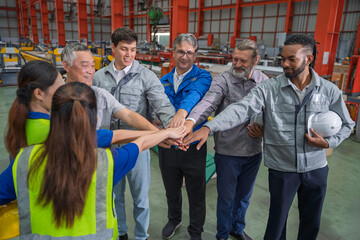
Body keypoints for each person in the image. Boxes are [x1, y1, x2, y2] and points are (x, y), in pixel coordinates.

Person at [184, 34, 355, 240]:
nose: (285, 64)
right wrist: (208, 127)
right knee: (276, 224)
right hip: (282, 168)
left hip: (316, 167)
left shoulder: (329, 91)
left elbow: (347, 124)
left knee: (311, 222)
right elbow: (241, 109)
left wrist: (329, 142)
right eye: (282, 58)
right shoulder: (269, 88)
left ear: (308, 59)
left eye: (291, 59)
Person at [0, 82, 185, 239]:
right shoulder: (107, 162)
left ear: (51, 116)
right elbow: (141, 143)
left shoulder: (24, 160)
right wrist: (166, 132)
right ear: (94, 118)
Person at [92, 27, 176, 240]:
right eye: (123, 49)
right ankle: (121, 233)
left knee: (140, 198)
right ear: (112, 48)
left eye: (133, 49)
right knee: (115, 196)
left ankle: (141, 236)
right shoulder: (99, 77)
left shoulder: (146, 76)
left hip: (139, 147)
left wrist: (173, 129)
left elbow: (162, 104)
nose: (129, 54)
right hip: (108, 148)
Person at [184, 39, 267, 240]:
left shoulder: (264, 82)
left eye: (243, 61)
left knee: (244, 197)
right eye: (234, 59)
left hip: (254, 151)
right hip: (228, 152)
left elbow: (270, 113)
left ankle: (237, 229)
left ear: (255, 60)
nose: (237, 65)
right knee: (227, 199)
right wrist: (191, 121)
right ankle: (222, 234)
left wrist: (263, 130)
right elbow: (209, 101)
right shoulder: (224, 79)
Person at [4, 60, 150, 162]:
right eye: (58, 87)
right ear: (39, 93)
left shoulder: (20, 123)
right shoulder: (52, 130)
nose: (62, 91)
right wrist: (157, 134)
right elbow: (108, 136)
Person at [158, 33, 212, 240]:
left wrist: (181, 113)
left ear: (195, 55)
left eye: (190, 52)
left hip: (192, 144)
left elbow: (195, 95)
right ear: (173, 52)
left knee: (196, 192)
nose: (185, 56)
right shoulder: (163, 80)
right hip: (168, 144)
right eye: (181, 51)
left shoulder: (203, 77)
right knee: (171, 189)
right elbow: (158, 106)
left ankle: (195, 231)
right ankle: (174, 219)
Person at [62, 42, 160, 132]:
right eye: (85, 66)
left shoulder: (100, 95)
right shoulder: (54, 97)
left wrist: (158, 133)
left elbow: (128, 115)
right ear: (66, 66)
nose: (91, 71)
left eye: (92, 65)